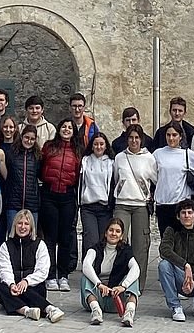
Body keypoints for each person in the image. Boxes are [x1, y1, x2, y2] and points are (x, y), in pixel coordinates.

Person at [0, 210, 64, 322]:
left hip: (33, 286)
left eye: (26, 224)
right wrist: (12, 284)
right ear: (14, 225)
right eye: (19, 223)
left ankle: (50, 309)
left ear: (31, 227)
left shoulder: (39, 244)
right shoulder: (6, 246)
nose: (22, 227)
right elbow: (4, 269)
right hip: (14, 287)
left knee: (29, 290)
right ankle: (27, 311)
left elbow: (43, 271)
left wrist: (26, 281)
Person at [38, 118, 83, 290]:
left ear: (73, 131)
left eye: (69, 127)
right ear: (58, 129)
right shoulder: (49, 146)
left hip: (67, 195)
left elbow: (79, 174)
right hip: (49, 194)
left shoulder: (78, 150)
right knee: (50, 237)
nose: (66, 129)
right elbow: (41, 169)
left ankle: (63, 275)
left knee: (65, 238)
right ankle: (50, 274)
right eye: (63, 126)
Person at [111, 124, 156, 283]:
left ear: (141, 139)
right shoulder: (119, 157)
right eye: (131, 137)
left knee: (140, 247)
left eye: (137, 138)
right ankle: (116, 280)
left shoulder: (150, 158)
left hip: (140, 206)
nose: (134, 141)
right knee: (117, 242)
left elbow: (155, 181)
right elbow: (116, 178)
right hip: (122, 203)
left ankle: (138, 284)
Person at [157, 202, 194, 322]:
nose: (186, 216)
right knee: (164, 265)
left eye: (190, 213)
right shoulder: (172, 230)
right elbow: (164, 250)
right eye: (183, 213)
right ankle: (175, 306)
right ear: (178, 216)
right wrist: (185, 265)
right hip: (180, 275)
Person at [80, 217, 140, 327]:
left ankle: (129, 313)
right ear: (106, 233)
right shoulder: (95, 248)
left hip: (116, 298)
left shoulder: (126, 250)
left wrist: (123, 286)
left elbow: (136, 269)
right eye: (111, 230)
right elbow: (86, 265)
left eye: (118, 231)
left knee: (134, 279)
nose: (114, 234)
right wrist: (99, 284)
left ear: (121, 236)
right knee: (85, 277)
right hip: (97, 297)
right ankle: (96, 312)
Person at [0, 116, 43, 248]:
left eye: (32, 139)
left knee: (31, 236)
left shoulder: (37, 156)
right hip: (13, 200)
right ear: (22, 136)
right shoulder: (12, 152)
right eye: (26, 137)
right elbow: (5, 172)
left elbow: (40, 175)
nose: (28, 141)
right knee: (13, 235)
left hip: (31, 201)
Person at [76, 130, 115, 271]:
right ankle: (88, 267)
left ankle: (100, 268)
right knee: (90, 238)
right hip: (88, 206)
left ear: (106, 146)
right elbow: (81, 182)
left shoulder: (111, 162)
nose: (98, 147)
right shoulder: (85, 161)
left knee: (103, 239)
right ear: (92, 146)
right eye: (96, 144)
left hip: (105, 207)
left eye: (101, 144)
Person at [151, 123, 194, 239]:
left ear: (180, 136)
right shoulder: (158, 154)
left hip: (181, 204)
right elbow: (152, 175)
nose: (171, 138)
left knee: (182, 240)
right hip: (163, 204)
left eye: (174, 135)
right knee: (165, 240)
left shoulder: (188, 154)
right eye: (168, 135)